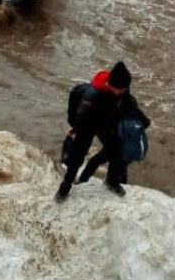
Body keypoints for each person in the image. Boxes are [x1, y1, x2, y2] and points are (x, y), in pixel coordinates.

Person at [55, 61, 135, 202]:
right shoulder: (92, 96)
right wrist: (74, 130)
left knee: (117, 150)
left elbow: (127, 102)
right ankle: (65, 187)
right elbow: (80, 118)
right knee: (77, 158)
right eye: (122, 89)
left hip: (107, 124)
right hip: (89, 125)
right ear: (113, 85)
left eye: (125, 88)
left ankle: (111, 181)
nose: (124, 91)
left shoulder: (121, 88)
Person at [77, 96, 150, 185]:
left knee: (96, 161)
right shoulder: (133, 108)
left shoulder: (114, 109)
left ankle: (81, 181)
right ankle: (122, 183)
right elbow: (147, 123)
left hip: (117, 145)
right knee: (121, 164)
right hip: (132, 146)